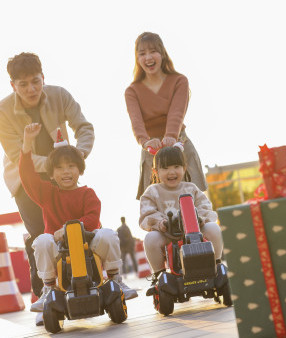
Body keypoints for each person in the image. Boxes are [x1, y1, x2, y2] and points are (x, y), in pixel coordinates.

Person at [0, 52, 95, 317]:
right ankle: (43, 295)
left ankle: (83, 285)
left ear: (43, 77)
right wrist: (57, 163)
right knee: (40, 235)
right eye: (23, 84)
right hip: (25, 179)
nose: (31, 89)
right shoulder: (1, 112)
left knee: (74, 231)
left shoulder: (60, 95)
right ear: (13, 85)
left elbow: (84, 127)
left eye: (36, 81)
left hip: (63, 176)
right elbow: (19, 157)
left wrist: (78, 155)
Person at [19, 123, 138, 320]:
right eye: (59, 168)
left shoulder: (87, 193)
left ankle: (115, 279)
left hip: (88, 246)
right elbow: (27, 177)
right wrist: (27, 144)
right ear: (51, 174)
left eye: (71, 166)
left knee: (107, 233)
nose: (66, 172)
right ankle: (48, 288)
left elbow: (92, 220)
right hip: (60, 251)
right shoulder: (47, 194)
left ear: (80, 169)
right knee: (41, 241)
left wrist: (66, 229)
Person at [125, 32, 207, 200]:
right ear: (137, 59)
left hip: (179, 143)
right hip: (152, 149)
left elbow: (176, 113)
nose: (148, 57)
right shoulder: (132, 91)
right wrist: (145, 141)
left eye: (153, 51)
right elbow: (136, 122)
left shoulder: (179, 81)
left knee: (193, 201)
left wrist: (170, 136)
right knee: (158, 203)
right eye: (142, 54)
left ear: (162, 53)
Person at [138, 145, 223, 294]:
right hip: (167, 233)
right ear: (155, 171)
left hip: (195, 230)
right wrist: (160, 223)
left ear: (184, 168)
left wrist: (201, 218)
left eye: (176, 166)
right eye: (165, 168)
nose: (171, 172)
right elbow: (147, 213)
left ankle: (216, 265)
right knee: (150, 238)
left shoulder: (191, 188)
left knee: (214, 228)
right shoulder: (152, 191)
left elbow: (205, 206)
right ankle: (159, 274)